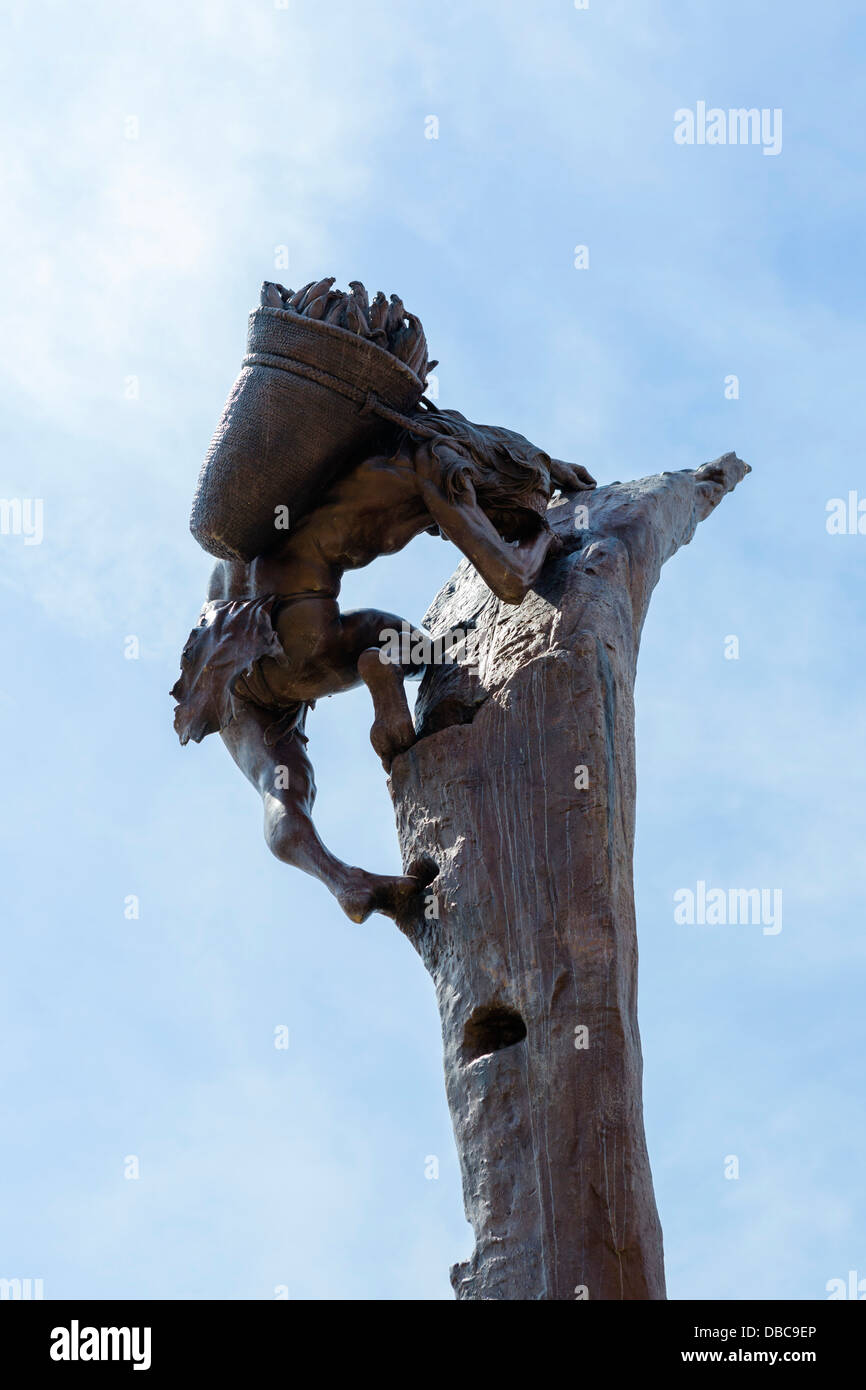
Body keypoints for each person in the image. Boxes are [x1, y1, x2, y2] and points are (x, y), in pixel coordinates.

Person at [171, 408, 595, 922]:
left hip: (223, 643)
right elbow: (509, 580)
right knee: (408, 644)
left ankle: (341, 880)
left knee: (279, 785)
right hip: (300, 628)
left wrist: (543, 468)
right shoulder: (442, 468)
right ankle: (385, 668)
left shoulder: (352, 440)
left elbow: (493, 449)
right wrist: (542, 537)